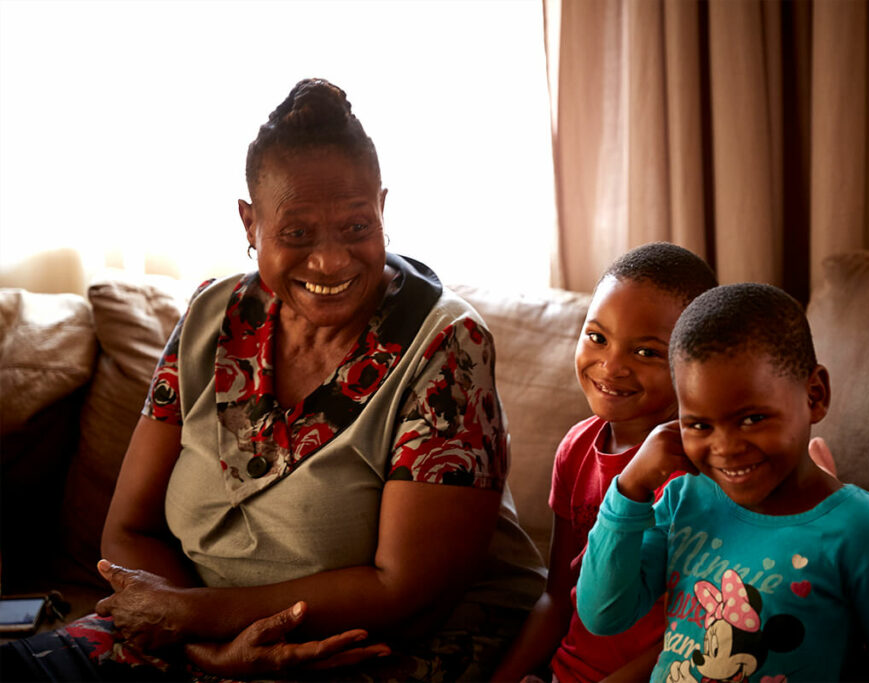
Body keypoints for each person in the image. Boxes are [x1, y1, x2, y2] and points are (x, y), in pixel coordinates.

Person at [0, 78, 545, 682]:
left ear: (383, 210)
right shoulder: (211, 317)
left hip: (372, 647)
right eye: (296, 233)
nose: (331, 260)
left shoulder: (447, 345)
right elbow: (126, 531)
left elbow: (407, 597)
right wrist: (201, 646)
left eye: (357, 227)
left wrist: (197, 621)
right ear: (249, 222)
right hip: (191, 640)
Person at [576, 283, 869, 682]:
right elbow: (604, 614)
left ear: (814, 396)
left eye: (752, 419)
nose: (726, 448)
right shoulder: (684, 499)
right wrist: (630, 490)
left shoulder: (866, 531)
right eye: (699, 424)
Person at [492, 243, 719, 683]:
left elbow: (693, 632)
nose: (610, 366)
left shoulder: (699, 472)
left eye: (646, 352)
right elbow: (558, 598)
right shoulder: (576, 448)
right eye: (597, 337)